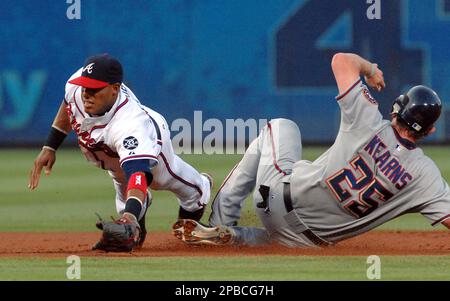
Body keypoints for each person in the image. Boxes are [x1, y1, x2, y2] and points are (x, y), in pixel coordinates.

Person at [173, 52, 450, 248]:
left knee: (281, 126)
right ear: (430, 130)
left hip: (278, 202)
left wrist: (371, 69)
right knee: (281, 244)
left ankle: (222, 221)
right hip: (308, 242)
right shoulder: (426, 177)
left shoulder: (367, 121)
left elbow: (341, 61)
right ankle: (234, 237)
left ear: (396, 110)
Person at [29, 54, 212, 252]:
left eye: (94, 89)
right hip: (110, 156)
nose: (86, 94)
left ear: (115, 89)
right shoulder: (76, 85)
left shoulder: (131, 124)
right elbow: (69, 105)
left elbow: (138, 174)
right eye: (85, 86)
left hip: (151, 144)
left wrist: (129, 217)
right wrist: (50, 146)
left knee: (178, 188)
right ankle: (137, 218)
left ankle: (200, 186)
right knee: (129, 218)